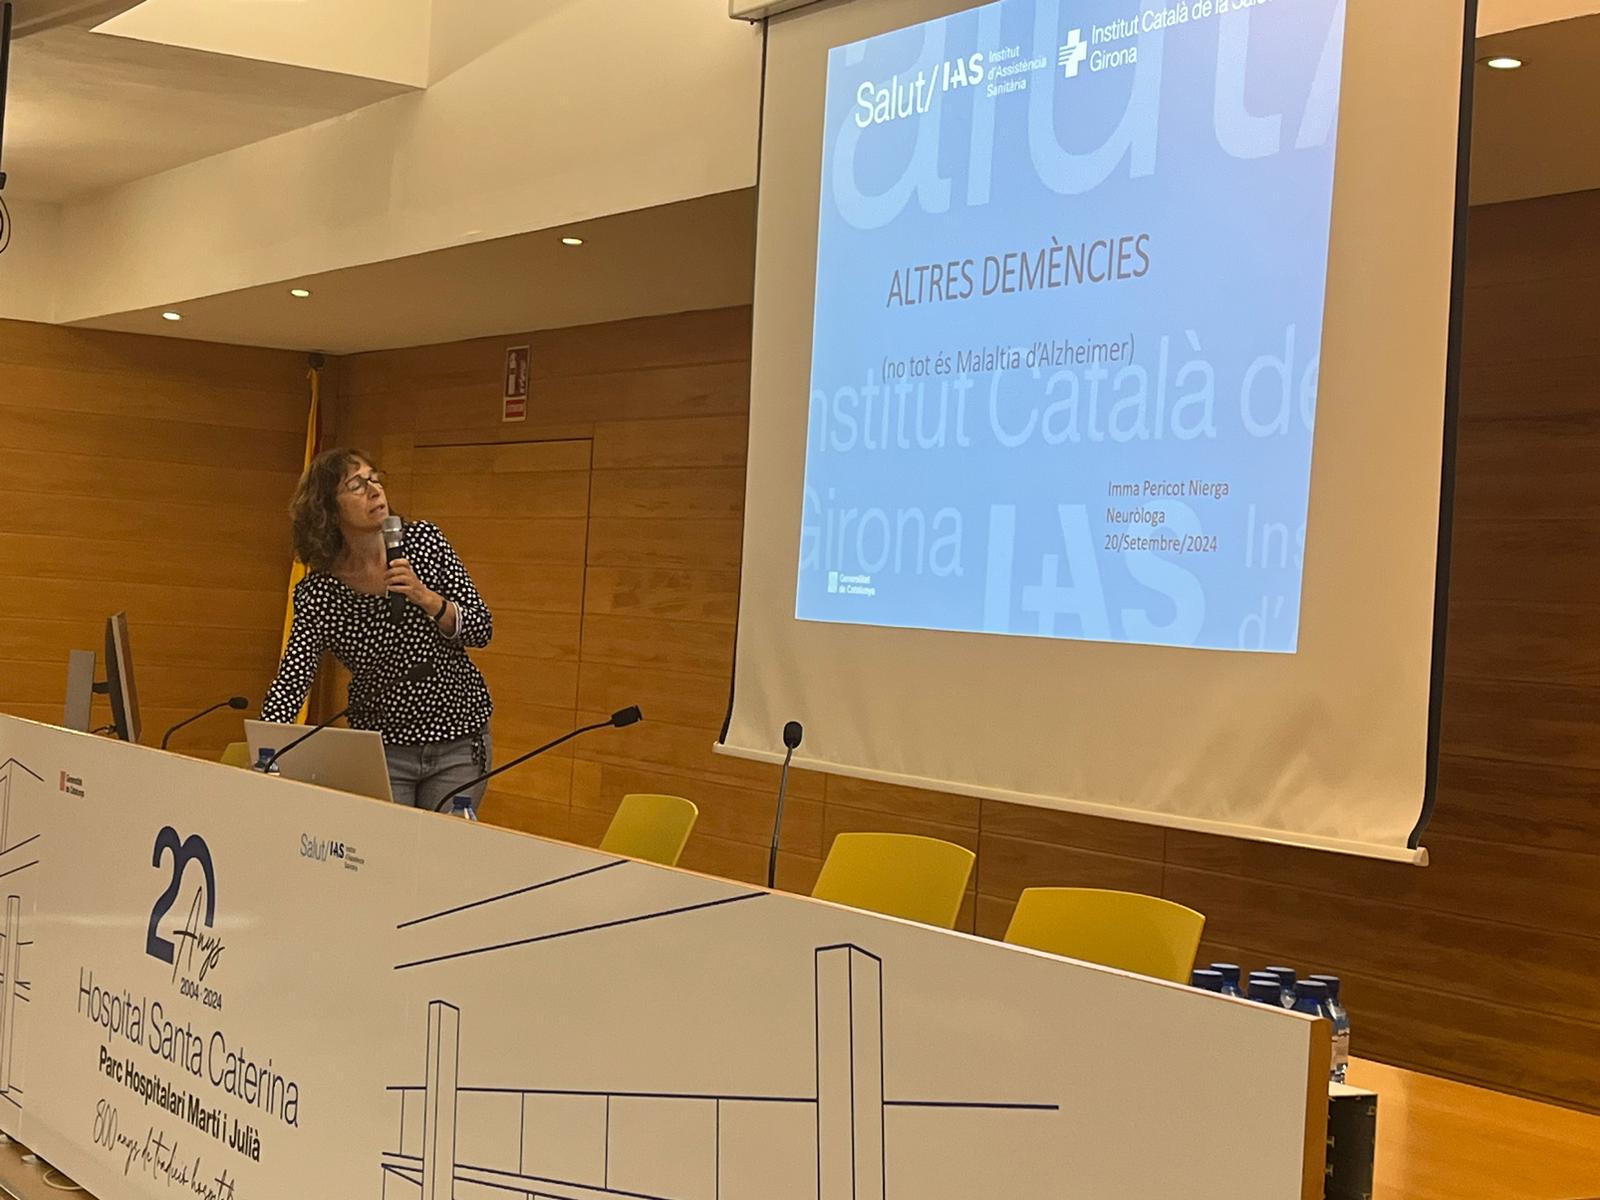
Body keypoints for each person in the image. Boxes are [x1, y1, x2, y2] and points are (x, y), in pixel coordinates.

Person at [261, 447, 494, 813]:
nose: (374, 490)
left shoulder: (426, 543)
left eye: (374, 478)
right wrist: (266, 749)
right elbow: (294, 678)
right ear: (328, 510)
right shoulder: (320, 593)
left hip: (458, 742)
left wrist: (426, 598)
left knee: (442, 846)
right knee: (387, 846)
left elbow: (481, 627)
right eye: (356, 485)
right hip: (383, 749)